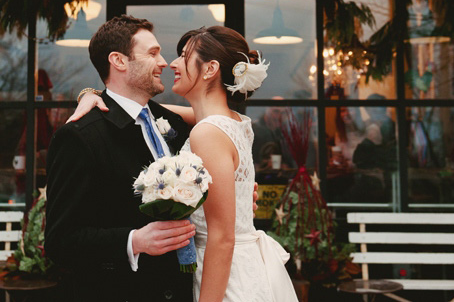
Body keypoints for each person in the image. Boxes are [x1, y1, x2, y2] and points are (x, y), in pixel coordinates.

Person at [68, 22, 295, 302]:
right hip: (240, 267)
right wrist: (92, 94)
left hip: (224, 278)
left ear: (210, 69)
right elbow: (143, 111)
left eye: (184, 56)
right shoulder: (233, 121)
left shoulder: (207, 131)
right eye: (156, 53)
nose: (170, 63)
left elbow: (222, 238)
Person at [45, 15, 197, 302]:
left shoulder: (173, 122)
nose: (164, 62)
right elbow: (60, 241)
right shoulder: (80, 137)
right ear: (119, 60)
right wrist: (133, 241)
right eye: (152, 53)